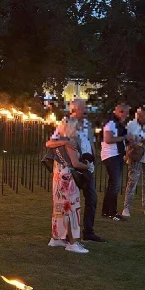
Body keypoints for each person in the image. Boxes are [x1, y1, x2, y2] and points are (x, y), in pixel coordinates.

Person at [47, 99, 106, 243]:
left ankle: (89, 232)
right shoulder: (66, 124)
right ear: (74, 110)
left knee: (92, 199)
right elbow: (50, 143)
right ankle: (66, 235)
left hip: (87, 166)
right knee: (70, 202)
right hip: (72, 169)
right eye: (83, 109)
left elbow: (91, 142)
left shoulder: (87, 125)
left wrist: (93, 157)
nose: (86, 111)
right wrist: (65, 142)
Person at [46, 124, 89, 254]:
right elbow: (75, 163)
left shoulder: (56, 142)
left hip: (58, 178)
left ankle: (57, 238)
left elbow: (47, 143)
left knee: (59, 209)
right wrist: (87, 166)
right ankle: (72, 242)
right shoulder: (70, 142)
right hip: (68, 180)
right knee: (71, 209)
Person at [100, 104, 130, 220]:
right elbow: (108, 139)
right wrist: (123, 138)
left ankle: (107, 211)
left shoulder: (117, 124)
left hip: (116, 155)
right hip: (111, 155)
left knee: (113, 184)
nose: (126, 116)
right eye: (125, 114)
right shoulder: (111, 123)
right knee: (115, 185)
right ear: (120, 112)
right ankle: (112, 212)